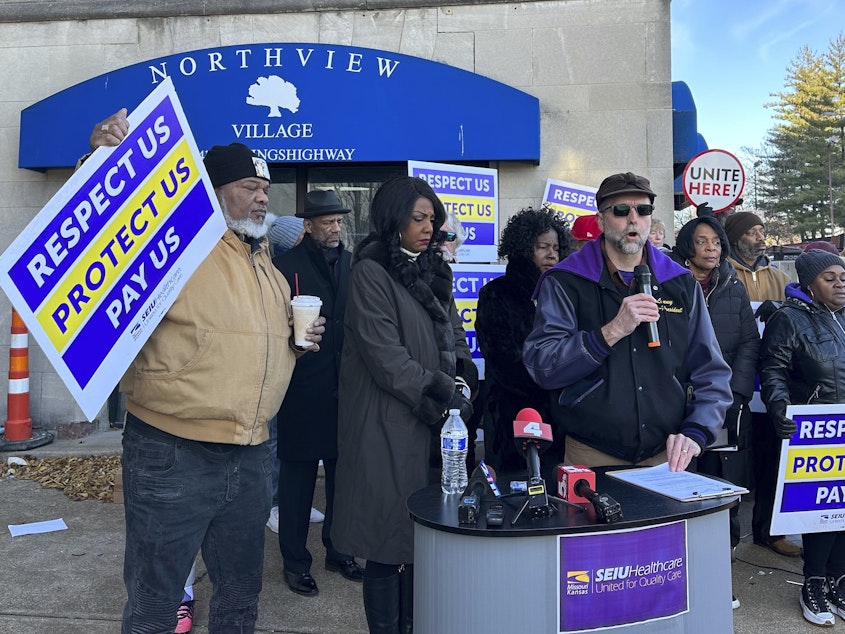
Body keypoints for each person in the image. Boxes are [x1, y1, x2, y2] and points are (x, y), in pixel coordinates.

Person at [90, 110, 324, 633]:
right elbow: (105, 234)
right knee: (155, 601)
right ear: (213, 191)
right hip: (173, 451)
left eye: (265, 187)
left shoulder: (265, 260)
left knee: (241, 595)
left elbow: (252, 343)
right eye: (249, 186)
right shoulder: (171, 244)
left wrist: (295, 343)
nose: (263, 197)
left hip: (254, 453)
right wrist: (104, 162)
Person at [332, 175, 477, 633]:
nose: (428, 227)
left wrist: (463, 378)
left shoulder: (434, 269)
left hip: (434, 426)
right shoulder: (370, 272)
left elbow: (453, 332)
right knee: (386, 544)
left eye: (432, 218)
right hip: (386, 424)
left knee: (423, 543)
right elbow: (386, 358)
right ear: (393, 219)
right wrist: (442, 393)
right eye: (418, 218)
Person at [523, 172, 732, 471]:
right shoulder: (566, 281)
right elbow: (543, 365)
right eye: (621, 211)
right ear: (600, 221)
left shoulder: (680, 283)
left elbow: (711, 369)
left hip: (668, 455)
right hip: (592, 454)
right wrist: (609, 332)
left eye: (643, 210)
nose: (633, 219)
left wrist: (698, 430)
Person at [272, 190, 363, 597]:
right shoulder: (284, 267)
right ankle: (294, 561)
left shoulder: (351, 262)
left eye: (339, 220)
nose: (336, 227)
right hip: (301, 391)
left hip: (344, 391)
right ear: (308, 225)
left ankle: (339, 550)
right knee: (297, 482)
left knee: (343, 479)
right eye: (327, 221)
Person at [672, 210, 760, 610]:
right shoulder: (667, 280)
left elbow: (748, 343)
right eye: (703, 241)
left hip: (722, 402)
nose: (711, 249)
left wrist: (736, 393)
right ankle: (681, 576)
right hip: (673, 405)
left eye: (717, 243)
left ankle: (721, 576)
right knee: (680, 488)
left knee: (721, 489)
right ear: (687, 245)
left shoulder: (733, 284)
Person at [759, 248, 845, 626]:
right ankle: (814, 581)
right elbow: (773, 370)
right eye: (830, 278)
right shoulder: (788, 319)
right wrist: (779, 408)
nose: (840, 284)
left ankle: (839, 580)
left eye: (843, 277)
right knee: (820, 508)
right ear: (810, 284)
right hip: (815, 429)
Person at [475, 207, 572, 481]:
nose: (552, 254)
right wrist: (557, 379)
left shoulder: (563, 293)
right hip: (511, 423)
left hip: (559, 423)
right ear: (523, 247)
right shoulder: (496, 293)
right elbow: (503, 361)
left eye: (556, 247)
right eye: (543, 247)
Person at [724, 212, 800, 557]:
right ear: (736, 237)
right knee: (731, 462)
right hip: (732, 384)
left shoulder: (782, 278)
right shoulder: (722, 273)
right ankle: (725, 536)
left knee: (772, 459)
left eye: (761, 231)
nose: (759, 237)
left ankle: (769, 532)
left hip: (770, 385)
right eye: (752, 232)